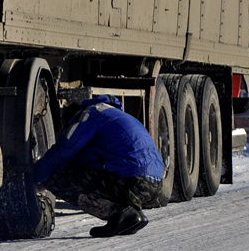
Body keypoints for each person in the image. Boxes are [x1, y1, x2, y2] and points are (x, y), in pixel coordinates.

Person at [33, 94, 165, 238]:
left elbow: (63, 151)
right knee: (89, 175)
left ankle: (117, 215)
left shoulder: (90, 114)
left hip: (133, 179)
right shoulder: (115, 115)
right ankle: (130, 214)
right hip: (155, 184)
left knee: (56, 179)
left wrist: (34, 178)